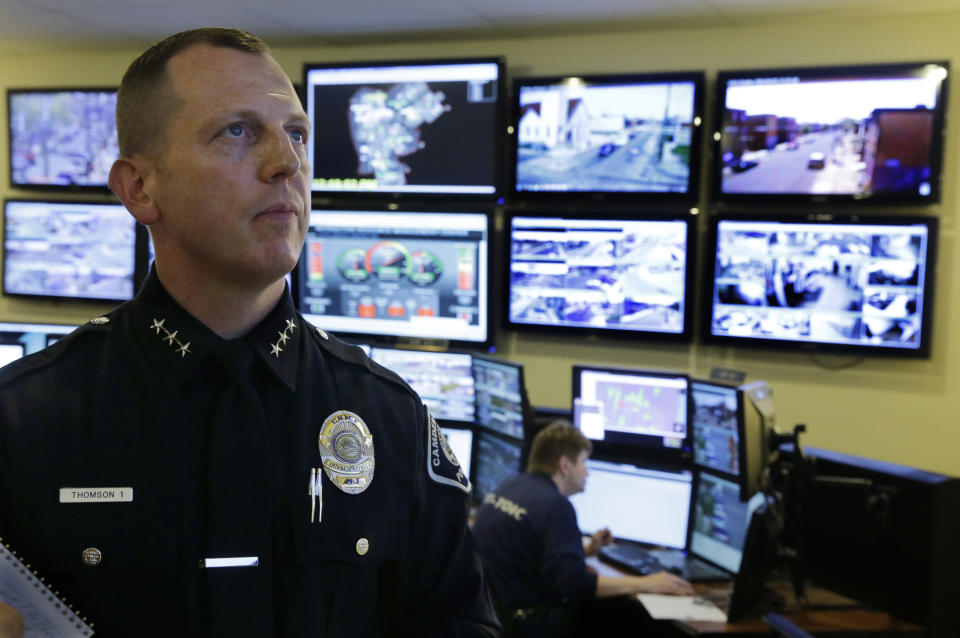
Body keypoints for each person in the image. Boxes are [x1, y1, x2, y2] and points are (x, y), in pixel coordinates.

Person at [0, 27, 499, 638]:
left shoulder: (391, 421)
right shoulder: (22, 423)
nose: (286, 163)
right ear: (139, 187)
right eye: (237, 131)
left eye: (296, 134)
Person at [472, 421, 692, 637]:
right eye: (584, 462)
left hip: (489, 617)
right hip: (527, 622)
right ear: (565, 466)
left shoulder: (512, 485)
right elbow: (575, 585)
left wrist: (587, 551)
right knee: (617, 618)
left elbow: (531, 554)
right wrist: (647, 583)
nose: (587, 472)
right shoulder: (556, 507)